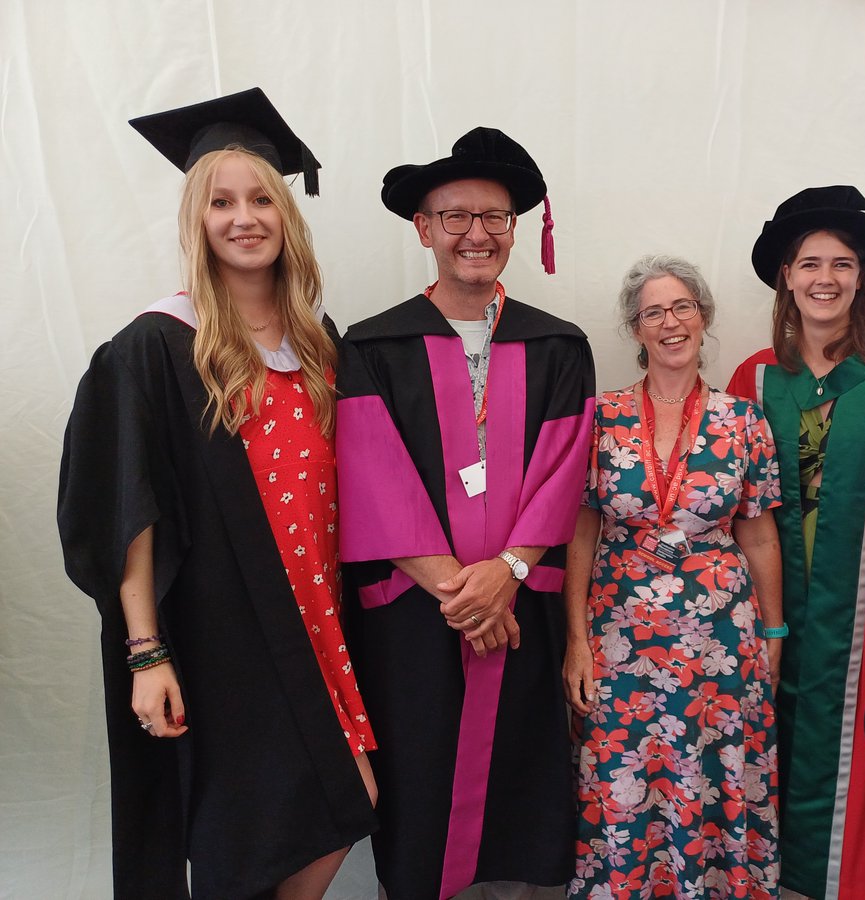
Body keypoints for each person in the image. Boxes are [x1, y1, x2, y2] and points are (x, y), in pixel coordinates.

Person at [57, 88, 378, 900]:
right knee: (261, 837)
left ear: (287, 215)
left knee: (345, 803)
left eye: (262, 198)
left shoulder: (322, 348)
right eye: (222, 202)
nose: (245, 217)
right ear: (197, 220)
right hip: (222, 637)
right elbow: (130, 508)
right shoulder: (158, 347)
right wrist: (146, 651)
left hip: (323, 620)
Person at [335, 127, 595, 900]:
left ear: (516, 229)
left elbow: (564, 472)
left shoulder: (557, 344)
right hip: (420, 615)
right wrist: (467, 595)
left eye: (495, 218)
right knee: (422, 767)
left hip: (524, 605)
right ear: (424, 229)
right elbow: (372, 477)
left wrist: (508, 574)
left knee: (522, 773)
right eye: (456, 217)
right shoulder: (372, 345)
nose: (476, 234)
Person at [726, 186, 865, 899]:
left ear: (864, 278)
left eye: (843, 264)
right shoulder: (754, 378)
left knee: (854, 781)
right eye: (810, 263)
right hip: (768, 618)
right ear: (786, 277)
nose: (826, 279)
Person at [562, 254, 784, 898]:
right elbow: (580, 532)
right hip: (622, 641)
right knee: (622, 780)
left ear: (704, 317)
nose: (669, 322)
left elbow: (760, 533)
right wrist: (576, 641)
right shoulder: (598, 419)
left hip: (721, 642)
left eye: (682, 307)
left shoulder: (742, 420)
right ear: (636, 329)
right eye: (653, 312)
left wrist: (775, 631)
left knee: (714, 776)